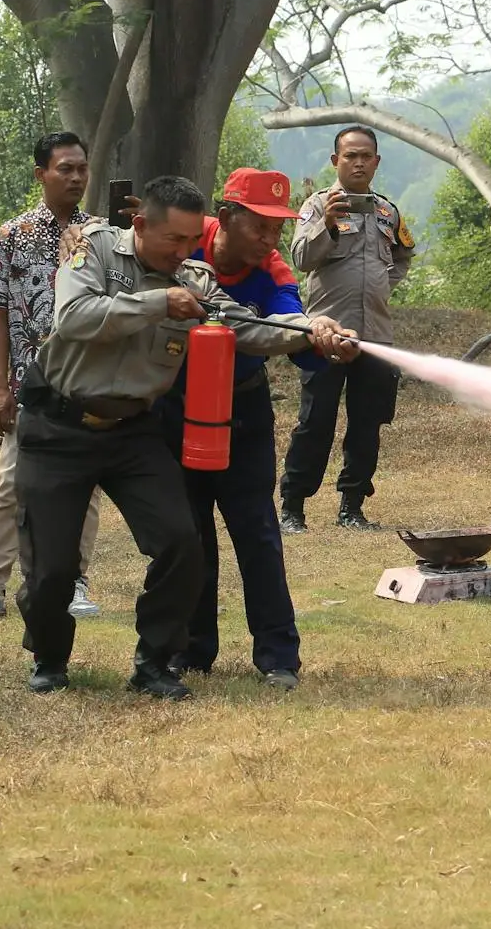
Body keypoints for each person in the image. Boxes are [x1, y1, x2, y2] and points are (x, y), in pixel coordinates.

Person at [13, 175, 359, 699]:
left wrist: (311, 331)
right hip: (59, 427)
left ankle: (155, 661)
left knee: (181, 543)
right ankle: (50, 656)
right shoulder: (96, 252)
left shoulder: (195, 280)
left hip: (134, 433)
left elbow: (246, 327)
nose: (183, 251)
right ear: (140, 224)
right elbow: (75, 317)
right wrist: (157, 304)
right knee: (53, 568)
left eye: (190, 240)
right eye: (173, 240)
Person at [150, 168, 324, 690]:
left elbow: (288, 323)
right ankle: (191, 650)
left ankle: (278, 656)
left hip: (241, 414)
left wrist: (316, 333)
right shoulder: (182, 243)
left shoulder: (273, 271)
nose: (272, 241)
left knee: (257, 532)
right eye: (261, 228)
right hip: (174, 409)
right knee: (189, 534)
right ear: (224, 219)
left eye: (278, 229)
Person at [0, 132, 106, 625]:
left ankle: (76, 582)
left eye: (81, 168)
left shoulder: (102, 237)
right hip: (30, 386)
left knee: (84, 487)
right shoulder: (11, 238)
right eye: (65, 168)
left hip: (88, 382)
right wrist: (0, 389)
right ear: (41, 174)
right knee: (11, 486)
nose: (76, 177)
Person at [281, 125, 416, 533]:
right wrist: (327, 224)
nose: (358, 162)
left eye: (366, 156)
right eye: (350, 155)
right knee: (314, 422)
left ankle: (352, 507)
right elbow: (301, 258)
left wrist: (382, 286)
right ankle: (293, 507)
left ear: (376, 161)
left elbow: (404, 255)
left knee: (367, 423)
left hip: (375, 335)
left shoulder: (388, 212)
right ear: (334, 161)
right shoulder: (317, 205)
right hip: (327, 335)